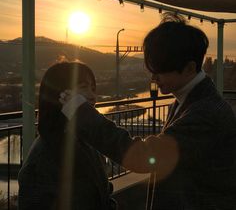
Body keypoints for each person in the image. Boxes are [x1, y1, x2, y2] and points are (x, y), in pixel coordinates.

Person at [60, 13, 236, 210]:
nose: (154, 77)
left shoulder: (207, 113)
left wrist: (81, 113)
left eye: (160, 70)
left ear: (189, 68)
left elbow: (143, 157)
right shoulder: (189, 101)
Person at [18, 62, 117, 210]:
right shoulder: (42, 159)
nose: (92, 96)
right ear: (60, 95)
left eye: (93, 88)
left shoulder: (87, 142)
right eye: (84, 87)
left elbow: (104, 194)